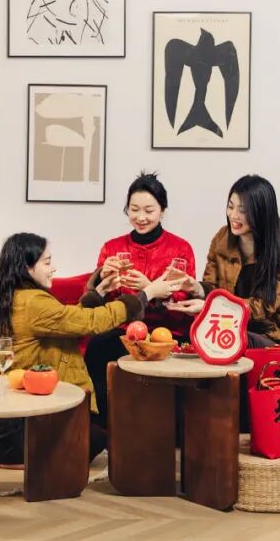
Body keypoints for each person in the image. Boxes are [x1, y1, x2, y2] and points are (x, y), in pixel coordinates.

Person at [0, 232, 181, 468]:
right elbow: (89, 322)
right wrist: (148, 293)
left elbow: (67, 321)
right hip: (10, 420)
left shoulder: (16, 295)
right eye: (47, 262)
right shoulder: (33, 302)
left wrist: (99, 291)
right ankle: (14, 459)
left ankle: (8, 454)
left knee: (91, 435)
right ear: (27, 267)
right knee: (93, 439)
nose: (53, 268)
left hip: (1, 411)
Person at [81, 172, 196, 428]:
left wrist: (149, 289)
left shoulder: (180, 248)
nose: (141, 217)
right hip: (125, 332)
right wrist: (104, 279)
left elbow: (182, 301)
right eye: (134, 210)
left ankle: (175, 431)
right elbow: (99, 303)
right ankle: (101, 427)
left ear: (162, 211)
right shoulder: (112, 248)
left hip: (167, 331)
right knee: (98, 346)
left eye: (149, 210)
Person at [168, 174, 280, 348]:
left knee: (233, 340)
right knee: (194, 339)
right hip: (227, 327)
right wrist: (196, 288)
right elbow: (214, 288)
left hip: (272, 334)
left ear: (261, 212)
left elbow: (264, 307)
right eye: (230, 207)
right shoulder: (222, 238)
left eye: (243, 211)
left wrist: (211, 308)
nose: (233, 215)